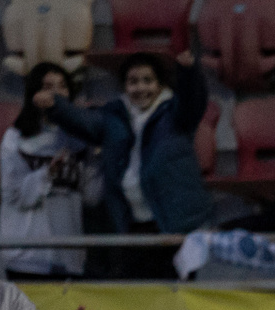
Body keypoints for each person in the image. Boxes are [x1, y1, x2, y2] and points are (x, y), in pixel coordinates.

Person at [47, 51, 214, 279]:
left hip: (173, 226)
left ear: (160, 84)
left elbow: (193, 100)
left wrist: (188, 72)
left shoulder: (175, 114)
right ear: (124, 86)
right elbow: (85, 122)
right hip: (131, 225)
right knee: (137, 293)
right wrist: (56, 107)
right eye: (133, 81)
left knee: (177, 295)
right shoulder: (114, 115)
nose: (140, 88)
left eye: (148, 80)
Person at [1, 62, 96, 282]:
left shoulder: (80, 139)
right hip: (27, 256)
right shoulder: (15, 138)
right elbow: (14, 196)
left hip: (70, 256)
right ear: (33, 94)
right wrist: (47, 174)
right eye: (48, 87)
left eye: (62, 86)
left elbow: (92, 195)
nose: (56, 93)